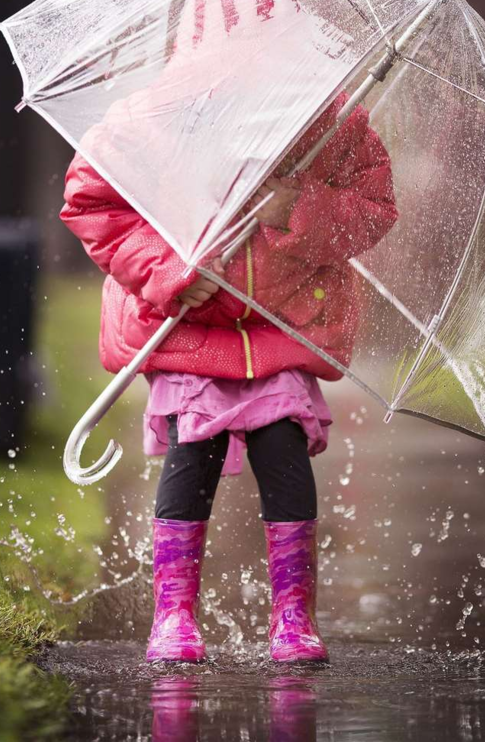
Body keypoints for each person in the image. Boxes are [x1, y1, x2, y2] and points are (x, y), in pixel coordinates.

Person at [61, 91, 396, 664]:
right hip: (190, 326)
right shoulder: (154, 117)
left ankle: (293, 616)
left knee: (283, 447)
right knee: (193, 451)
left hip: (279, 323)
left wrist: (298, 206)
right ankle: (173, 614)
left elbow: (373, 209)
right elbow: (96, 204)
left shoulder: (329, 118)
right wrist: (164, 271)